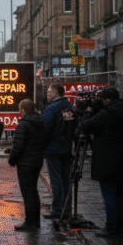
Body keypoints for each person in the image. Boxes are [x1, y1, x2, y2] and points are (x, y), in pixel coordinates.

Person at [79, 87, 123, 238]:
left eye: (102, 100)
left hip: (107, 161)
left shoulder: (106, 114)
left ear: (108, 100)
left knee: (109, 195)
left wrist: (89, 111)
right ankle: (119, 228)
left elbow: (85, 126)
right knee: (119, 194)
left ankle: (110, 228)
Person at [8, 99, 46, 230]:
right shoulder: (41, 122)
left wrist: (12, 159)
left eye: (20, 109)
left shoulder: (23, 124)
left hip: (25, 163)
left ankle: (29, 222)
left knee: (27, 193)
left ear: (23, 110)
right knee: (34, 190)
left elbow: (18, 146)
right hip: (37, 160)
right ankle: (36, 221)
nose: (19, 112)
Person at [42, 83, 76, 220]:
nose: (47, 94)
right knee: (66, 179)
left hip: (53, 149)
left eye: (49, 92)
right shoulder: (69, 107)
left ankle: (57, 209)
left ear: (56, 93)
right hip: (66, 148)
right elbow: (70, 126)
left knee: (55, 180)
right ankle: (67, 209)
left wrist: (43, 145)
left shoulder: (51, 109)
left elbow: (45, 129)